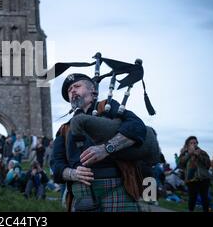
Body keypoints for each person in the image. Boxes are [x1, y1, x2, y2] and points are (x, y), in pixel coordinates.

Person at [51, 73, 147, 212]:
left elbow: (137, 126)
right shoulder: (64, 129)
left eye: (77, 86)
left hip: (115, 187)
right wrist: (73, 173)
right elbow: (56, 164)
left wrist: (106, 148)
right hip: (82, 195)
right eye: (69, 89)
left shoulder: (107, 107)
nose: (72, 90)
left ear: (93, 91)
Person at [178, 136, 211, 212]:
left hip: (203, 178)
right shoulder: (184, 153)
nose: (193, 144)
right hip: (191, 179)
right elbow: (180, 164)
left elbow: (208, 164)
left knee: (204, 198)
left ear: (197, 143)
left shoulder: (202, 152)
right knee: (192, 198)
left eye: (195, 142)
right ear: (188, 144)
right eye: (191, 143)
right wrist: (189, 154)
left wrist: (198, 155)